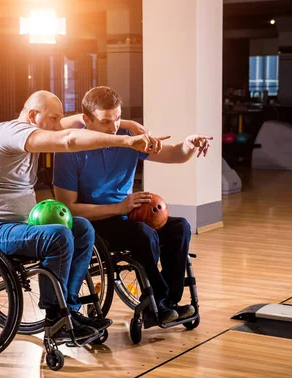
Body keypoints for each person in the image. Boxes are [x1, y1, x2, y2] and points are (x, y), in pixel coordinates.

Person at [0, 90, 165, 341]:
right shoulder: (10, 133)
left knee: (82, 228)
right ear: (33, 115)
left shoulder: (37, 127)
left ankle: (70, 311)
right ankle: (55, 318)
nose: (58, 125)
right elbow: (68, 139)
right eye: (53, 119)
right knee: (58, 235)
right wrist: (125, 141)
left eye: (59, 118)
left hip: (16, 226)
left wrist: (126, 125)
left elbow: (77, 122)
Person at [53, 86, 212, 324]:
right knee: (142, 233)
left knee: (180, 227)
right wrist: (118, 208)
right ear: (86, 120)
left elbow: (175, 154)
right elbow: (67, 208)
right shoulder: (69, 151)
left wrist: (190, 144)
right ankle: (154, 305)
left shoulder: (129, 140)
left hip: (128, 216)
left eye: (117, 119)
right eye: (106, 121)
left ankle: (169, 302)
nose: (114, 127)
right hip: (94, 222)